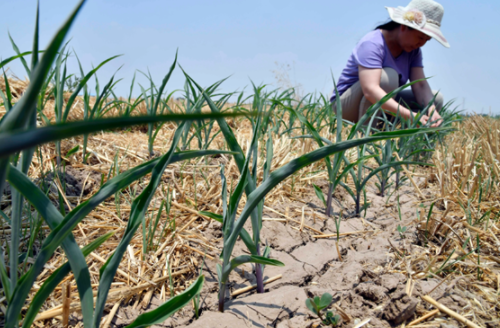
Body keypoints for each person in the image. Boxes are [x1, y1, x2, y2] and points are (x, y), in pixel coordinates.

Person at [331, 0, 449, 128]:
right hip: (347, 107)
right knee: (388, 77)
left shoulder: (413, 51)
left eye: (427, 40)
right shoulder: (373, 43)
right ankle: (365, 135)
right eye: (420, 37)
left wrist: (432, 111)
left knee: (436, 99)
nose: (422, 43)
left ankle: (409, 140)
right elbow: (370, 90)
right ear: (403, 27)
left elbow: (420, 85)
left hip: (380, 104)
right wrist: (410, 115)